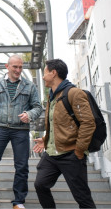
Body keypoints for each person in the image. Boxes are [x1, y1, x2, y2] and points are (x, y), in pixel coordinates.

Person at [0, 54, 43, 209]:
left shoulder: (29, 86)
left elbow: (37, 107)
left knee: (22, 166)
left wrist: (29, 114)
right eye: (15, 67)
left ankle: (19, 201)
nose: (18, 70)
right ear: (7, 66)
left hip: (20, 130)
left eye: (20, 67)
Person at [33, 59, 96, 208]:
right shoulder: (52, 96)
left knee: (82, 197)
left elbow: (88, 123)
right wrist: (46, 139)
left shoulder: (74, 93)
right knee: (40, 185)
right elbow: (59, 123)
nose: (43, 77)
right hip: (51, 154)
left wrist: (79, 150)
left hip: (71, 154)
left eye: (45, 73)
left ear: (53, 73)